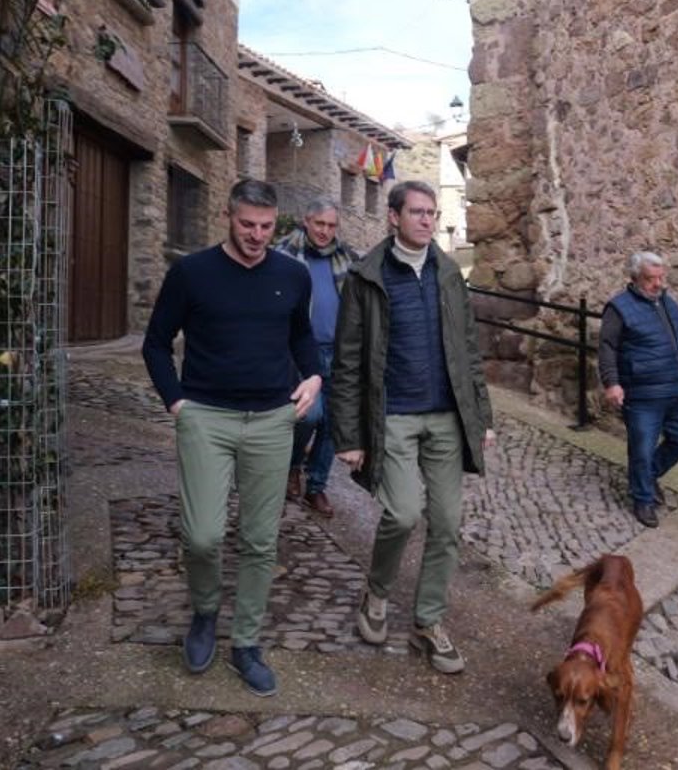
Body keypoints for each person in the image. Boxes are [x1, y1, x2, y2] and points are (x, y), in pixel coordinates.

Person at [142, 178, 323, 697]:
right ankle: (204, 613)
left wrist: (314, 375)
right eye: (247, 224)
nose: (256, 235)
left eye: (265, 226)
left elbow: (300, 334)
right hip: (206, 418)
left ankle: (246, 642)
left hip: (271, 421)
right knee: (202, 535)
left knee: (261, 540)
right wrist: (177, 403)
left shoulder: (292, 275)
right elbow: (156, 343)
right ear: (228, 216)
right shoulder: (191, 273)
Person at [330, 179, 495, 675]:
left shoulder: (448, 273)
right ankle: (377, 592)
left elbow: (468, 350)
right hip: (393, 417)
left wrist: (481, 417)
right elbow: (347, 360)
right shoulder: (366, 277)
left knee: (446, 523)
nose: (427, 220)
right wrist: (349, 435)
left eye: (432, 213)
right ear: (394, 217)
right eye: (418, 212)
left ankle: (428, 621)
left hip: (446, 416)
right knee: (402, 513)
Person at [597, 251, 678, 529]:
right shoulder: (619, 308)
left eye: (661, 277)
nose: (658, 284)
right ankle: (642, 498)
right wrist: (612, 382)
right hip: (642, 395)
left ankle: (646, 476)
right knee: (641, 450)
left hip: (675, 392)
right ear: (635, 278)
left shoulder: (668, 303)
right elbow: (607, 348)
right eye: (651, 279)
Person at [274, 195, 359, 518]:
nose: (325, 231)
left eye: (331, 225)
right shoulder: (283, 255)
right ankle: (292, 464)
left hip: (339, 351)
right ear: (306, 222)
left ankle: (317, 486)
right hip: (300, 351)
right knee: (309, 415)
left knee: (333, 422)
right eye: (319, 224)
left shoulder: (347, 258)